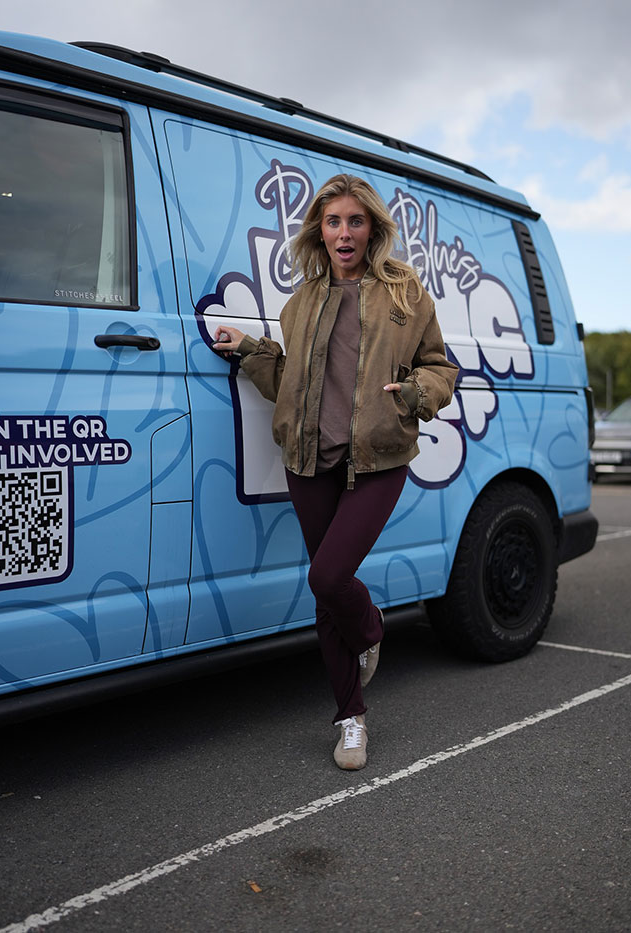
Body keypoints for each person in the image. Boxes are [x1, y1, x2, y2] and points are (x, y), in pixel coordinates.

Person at [213, 174, 457, 770]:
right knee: (325, 597)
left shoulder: (406, 295)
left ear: (371, 228)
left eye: (355, 220)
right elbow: (289, 383)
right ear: (318, 232)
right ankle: (351, 719)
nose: (344, 232)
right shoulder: (302, 304)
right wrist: (248, 349)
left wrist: (414, 394)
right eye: (332, 221)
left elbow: (440, 369)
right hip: (309, 461)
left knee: (328, 578)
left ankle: (370, 628)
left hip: (379, 459)